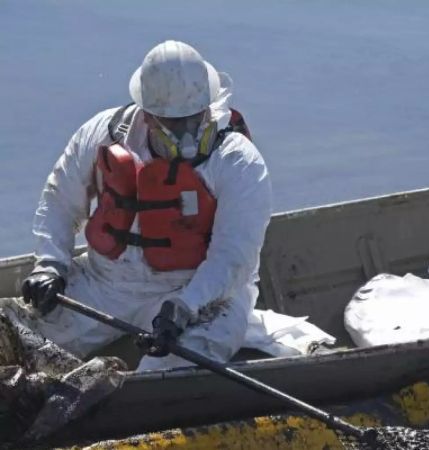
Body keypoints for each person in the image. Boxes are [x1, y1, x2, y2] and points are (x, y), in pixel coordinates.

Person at [11, 40, 272, 371]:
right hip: (105, 283)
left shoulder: (237, 161)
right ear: (147, 115)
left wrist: (184, 306)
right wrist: (51, 265)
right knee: (15, 339)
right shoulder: (101, 135)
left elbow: (235, 257)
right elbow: (59, 199)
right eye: (174, 124)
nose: (188, 134)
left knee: (167, 374)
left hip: (199, 294)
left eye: (195, 118)